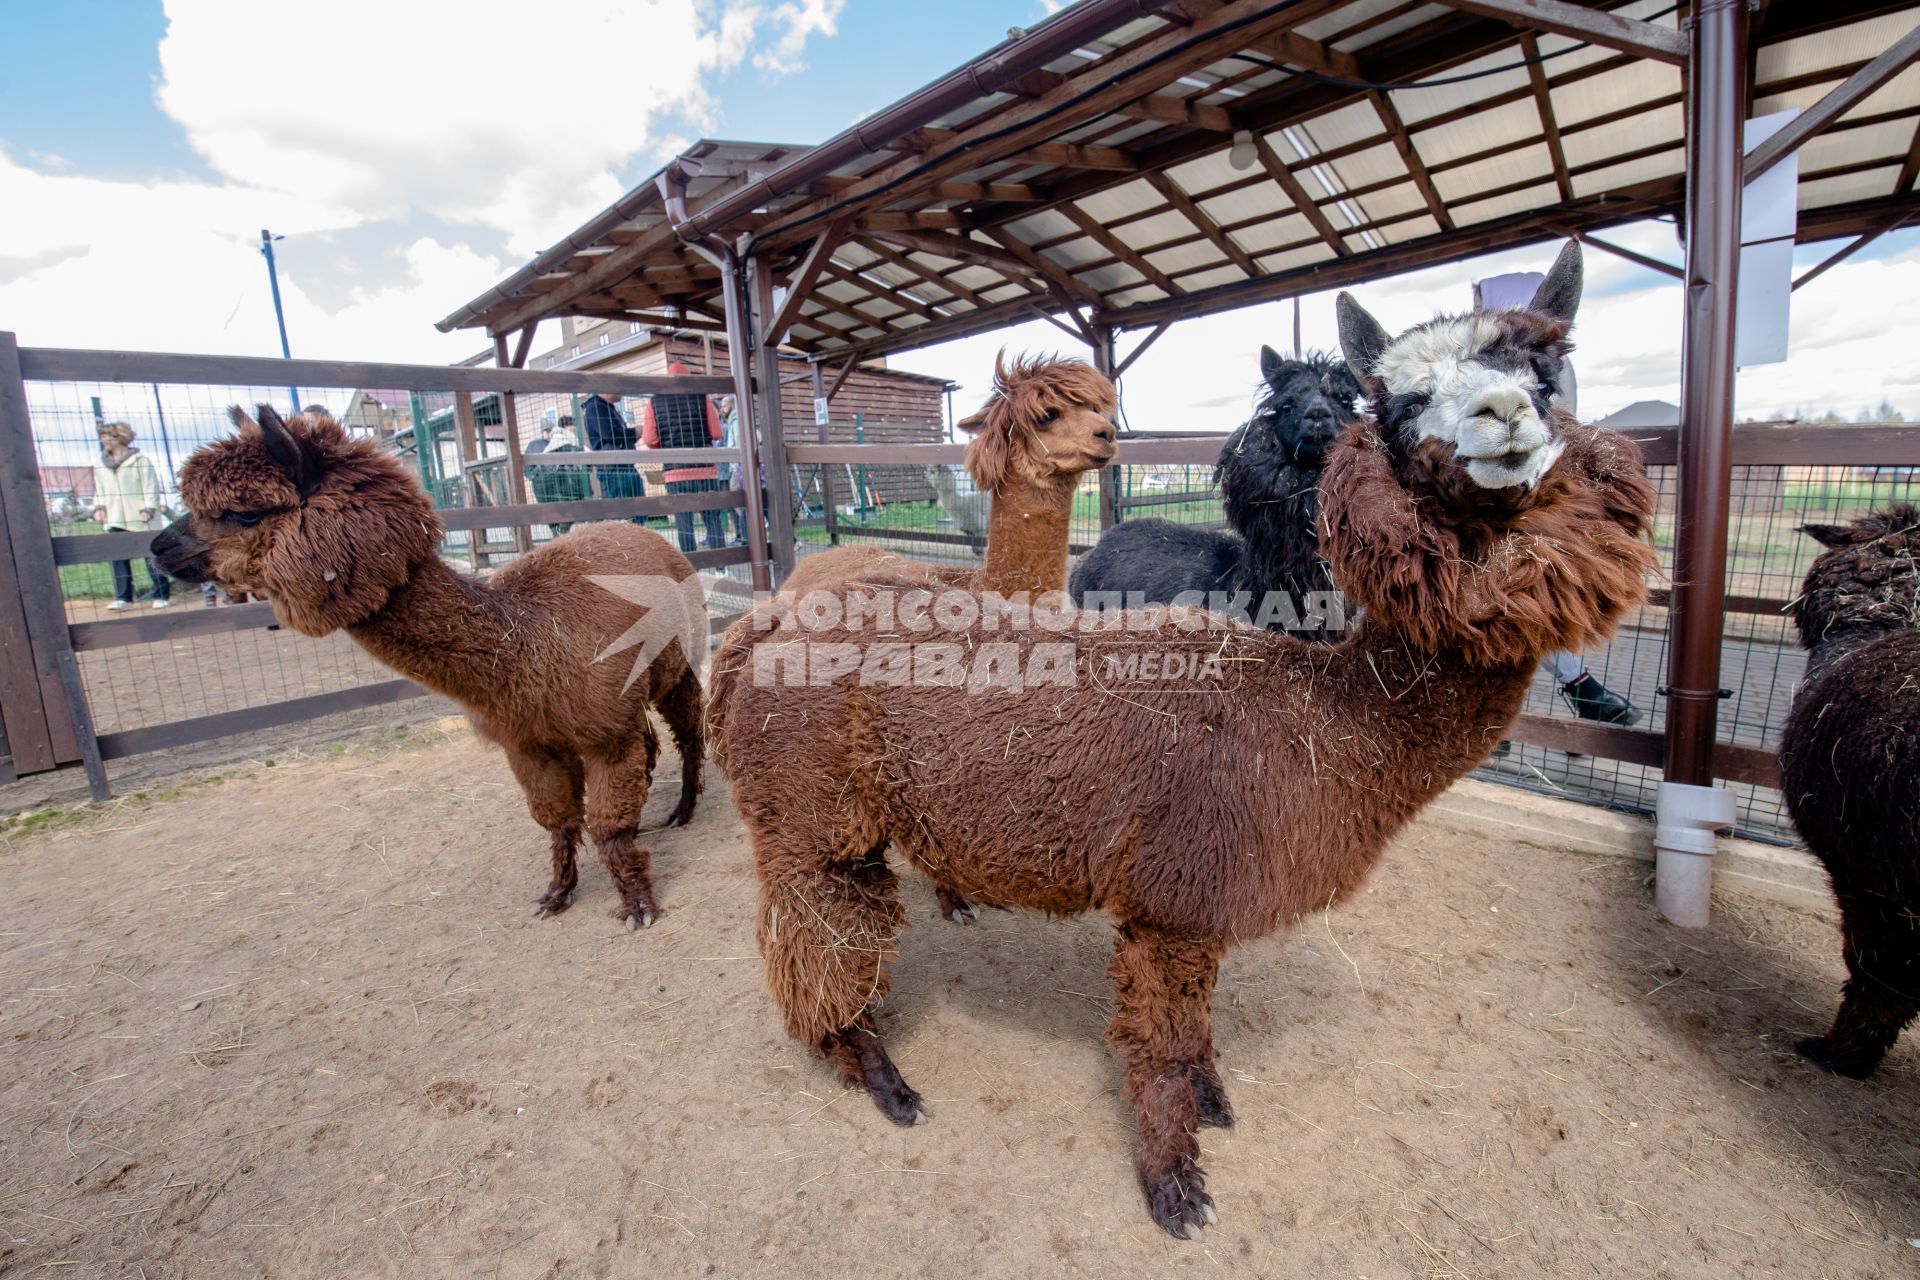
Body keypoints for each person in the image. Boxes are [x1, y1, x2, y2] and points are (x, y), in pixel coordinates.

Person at [1473, 270, 1638, 727]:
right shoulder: (1469, 361)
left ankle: (1567, 693)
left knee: (1536, 592)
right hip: (1484, 502)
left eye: (1480, 302)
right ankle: (1508, 712)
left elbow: (1559, 423)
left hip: (1532, 498)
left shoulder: (1544, 366)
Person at [642, 363, 729, 552]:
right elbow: (717, 433)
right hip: (704, 470)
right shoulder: (701, 397)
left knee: (684, 523)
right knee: (712, 518)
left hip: (675, 472)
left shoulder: (654, 401)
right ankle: (722, 567)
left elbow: (649, 439)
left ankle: (692, 569)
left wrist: (666, 444)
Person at [91, 421, 172, 611]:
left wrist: (148, 509)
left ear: (121, 438)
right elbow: (99, 490)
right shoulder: (100, 463)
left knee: (150, 555)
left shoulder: (141, 460)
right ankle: (124, 598)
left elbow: (151, 486)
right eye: (102, 436)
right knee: (118, 558)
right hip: (114, 516)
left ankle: (161, 594)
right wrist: (98, 508)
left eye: (108, 436)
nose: (103, 439)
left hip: (141, 517)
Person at [580, 390, 646, 523]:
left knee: (637, 509)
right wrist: (634, 432)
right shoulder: (596, 408)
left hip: (622, 465)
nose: (622, 392)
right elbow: (609, 434)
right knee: (620, 513)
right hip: (614, 468)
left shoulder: (606, 408)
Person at [528, 415, 589, 535]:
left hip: (548, 488)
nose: (574, 428)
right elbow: (587, 455)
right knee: (568, 512)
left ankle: (559, 535)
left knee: (558, 515)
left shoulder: (550, 445)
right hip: (564, 485)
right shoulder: (567, 440)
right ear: (567, 426)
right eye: (572, 425)